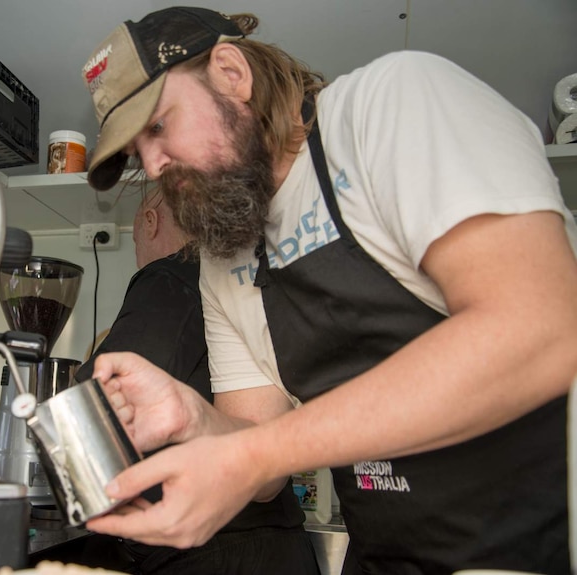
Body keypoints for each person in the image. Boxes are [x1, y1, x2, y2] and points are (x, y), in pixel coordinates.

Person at [77, 6, 577, 575]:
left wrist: (252, 453)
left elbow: (540, 328)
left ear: (231, 73)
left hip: (542, 543)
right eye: (137, 152)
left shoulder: (390, 106)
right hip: (384, 557)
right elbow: (263, 475)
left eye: (159, 126)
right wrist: (194, 420)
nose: (154, 162)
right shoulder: (225, 259)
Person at [71, 189, 319, 575]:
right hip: (280, 544)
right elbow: (262, 447)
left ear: (150, 223)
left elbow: (96, 412)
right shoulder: (229, 283)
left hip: (212, 553)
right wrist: (193, 416)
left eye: (136, 240)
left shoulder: (165, 278)